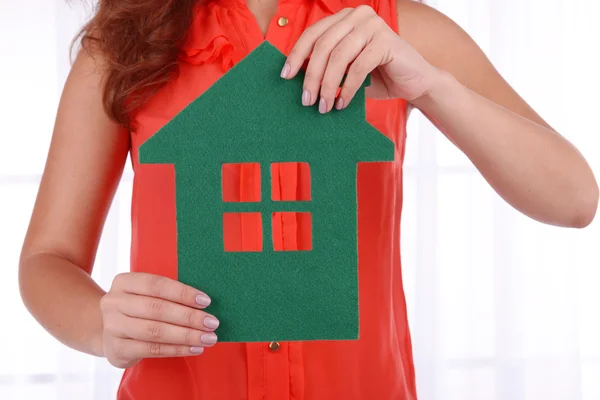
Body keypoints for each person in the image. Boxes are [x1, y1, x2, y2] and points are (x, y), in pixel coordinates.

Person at [18, 0, 598, 399]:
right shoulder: (122, 45)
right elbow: (48, 259)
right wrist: (99, 324)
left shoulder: (396, 29)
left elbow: (574, 198)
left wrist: (432, 86)